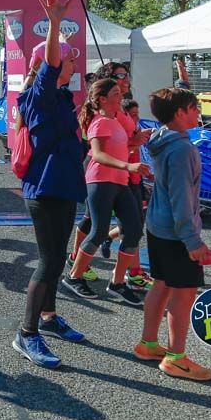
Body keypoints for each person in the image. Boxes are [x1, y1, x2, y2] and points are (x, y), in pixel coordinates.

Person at [12, 0, 88, 369]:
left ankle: (48, 316)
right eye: (71, 60)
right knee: (49, 260)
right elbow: (52, 63)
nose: (74, 65)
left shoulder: (59, 98)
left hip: (64, 186)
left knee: (57, 259)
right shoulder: (39, 94)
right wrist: (55, 23)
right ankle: (26, 334)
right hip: (45, 188)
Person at [137, 87, 211, 381]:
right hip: (175, 232)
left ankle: (148, 344)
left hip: (159, 226)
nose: (198, 112)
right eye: (194, 107)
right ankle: (176, 358)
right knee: (184, 293)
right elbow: (181, 198)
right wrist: (192, 240)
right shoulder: (182, 149)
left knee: (162, 284)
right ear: (180, 113)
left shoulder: (162, 139)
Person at [62, 78, 150, 306]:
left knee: (133, 230)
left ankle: (117, 282)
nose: (120, 96)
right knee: (99, 230)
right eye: (115, 93)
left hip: (119, 181)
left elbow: (120, 148)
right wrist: (128, 165)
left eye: (120, 92)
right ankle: (74, 277)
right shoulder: (99, 122)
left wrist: (136, 143)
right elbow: (99, 154)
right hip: (100, 180)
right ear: (102, 99)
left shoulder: (115, 121)